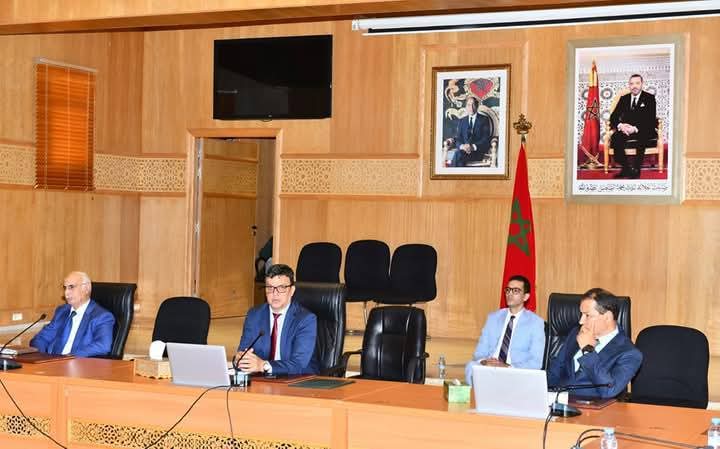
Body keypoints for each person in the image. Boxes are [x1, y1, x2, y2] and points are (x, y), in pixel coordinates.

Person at [547, 288, 642, 399]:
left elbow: (609, 391)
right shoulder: (575, 333)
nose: (581, 321)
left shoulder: (630, 353)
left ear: (607, 317)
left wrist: (587, 350)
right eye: (581, 314)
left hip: (594, 407)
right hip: (558, 403)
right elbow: (554, 372)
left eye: (587, 315)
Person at [235, 263, 318, 375]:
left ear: (292, 290)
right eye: (270, 288)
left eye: (281, 288)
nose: (275, 294)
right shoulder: (254, 315)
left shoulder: (305, 319)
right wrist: (240, 359)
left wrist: (263, 365)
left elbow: (299, 364)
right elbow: (243, 351)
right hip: (262, 378)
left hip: (298, 379)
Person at [464, 275, 545, 385]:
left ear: (526, 297)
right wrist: (485, 361)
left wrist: (507, 367)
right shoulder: (493, 318)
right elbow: (479, 353)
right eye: (508, 290)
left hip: (515, 371)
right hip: (490, 368)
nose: (510, 294)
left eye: (515, 291)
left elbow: (536, 362)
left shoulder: (535, 323)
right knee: (471, 366)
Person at [30, 271, 115, 357]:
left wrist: (68, 357)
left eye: (71, 287)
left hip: (79, 362)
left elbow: (103, 345)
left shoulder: (101, 316)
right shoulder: (62, 311)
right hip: (52, 361)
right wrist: (41, 356)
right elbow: (41, 338)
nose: (66, 293)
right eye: (65, 288)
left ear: (86, 289)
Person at [609, 74, 657, 179]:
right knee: (616, 138)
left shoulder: (649, 98)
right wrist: (621, 126)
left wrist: (634, 129)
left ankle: (636, 169)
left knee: (642, 137)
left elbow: (651, 119)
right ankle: (626, 168)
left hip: (643, 129)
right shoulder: (624, 99)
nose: (634, 86)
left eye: (637, 83)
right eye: (631, 84)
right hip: (626, 129)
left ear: (642, 84)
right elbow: (613, 117)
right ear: (629, 85)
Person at [450, 96, 495, 167]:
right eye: (468, 105)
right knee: (458, 155)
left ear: (477, 106)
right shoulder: (462, 121)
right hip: (463, 151)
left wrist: (472, 147)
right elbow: (458, 138)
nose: (471, 107)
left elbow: (485, 139)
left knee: (458, 156)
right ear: (466, 107)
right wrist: (462, 146)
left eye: (473, 104)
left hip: (477, 152)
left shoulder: (484, 119)